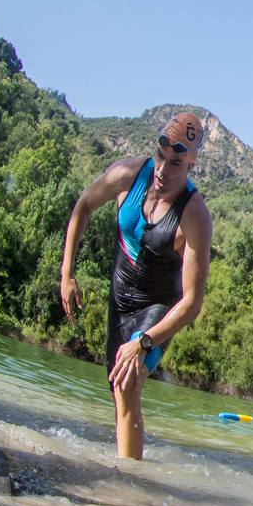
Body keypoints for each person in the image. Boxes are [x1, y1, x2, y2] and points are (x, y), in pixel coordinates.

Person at [60, 112, 213, 460]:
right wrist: (67, 272)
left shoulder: (195, 215)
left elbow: (192, 303)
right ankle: (128, 466)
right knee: (117, 389)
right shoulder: (129, 174)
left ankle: (129, 487)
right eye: (160, 155)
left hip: (156, 313)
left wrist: (144, 342)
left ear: (191, 163)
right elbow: (83, 206)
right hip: (119, 302)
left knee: (127, 382)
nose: (162, 169)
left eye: (175, 162)